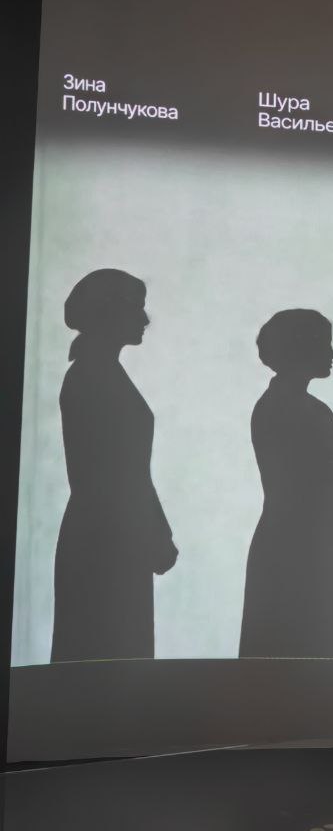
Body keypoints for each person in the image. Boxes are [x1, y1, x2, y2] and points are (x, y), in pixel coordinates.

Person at [52, 269, 177, 662]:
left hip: (118, 533)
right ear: (109, 312)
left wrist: (156, 528)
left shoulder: (101, 373)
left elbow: (132, 470)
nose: (145, 319)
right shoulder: (91, 377)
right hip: (106, 536)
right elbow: (112, 473)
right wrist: (153, 529)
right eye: (135, 308)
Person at [239, 309, 333, 658]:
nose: (332, 354)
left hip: (294, 543)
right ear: (302, 349)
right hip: (308, 547)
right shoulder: (306, 410)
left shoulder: (278, 406)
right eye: (324, 344)